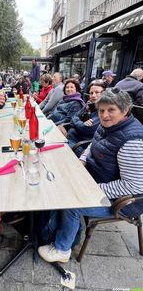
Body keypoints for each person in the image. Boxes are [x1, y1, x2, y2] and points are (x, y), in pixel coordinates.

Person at [38, 88, 143, 263]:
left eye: (111, 110)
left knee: (71, 203)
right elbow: (92, 146)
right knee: (58, 180)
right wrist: (83, 161)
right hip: (98, 178)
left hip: (123, 201)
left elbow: (133, 186)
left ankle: (62, 249)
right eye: (101, 110)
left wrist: (91, 188)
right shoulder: (108, 126)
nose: (104, 115)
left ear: (125, 111)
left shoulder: (132, 141)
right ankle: (53, 230)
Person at [59, 79, 106, 155]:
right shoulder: (89, 105)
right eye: (91, 93)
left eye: (97, 92)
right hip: (70, 138)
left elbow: (86, 129)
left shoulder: (103, 111)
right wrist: (81, 123)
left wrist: (77, 123)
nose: (93, 95)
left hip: (79, 147)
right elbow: (73, 117)